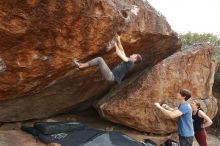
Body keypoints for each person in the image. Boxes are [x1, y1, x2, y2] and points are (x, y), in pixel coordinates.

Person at [72, 34, 142, 83]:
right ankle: (80, 66)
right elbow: (122, 51)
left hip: (111, 77)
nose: (132, 54)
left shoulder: (131, 63)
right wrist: (118, 40)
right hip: (111, 77)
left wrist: (115, 44)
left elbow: (119, 53)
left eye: (134, 55)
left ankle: (81, 66)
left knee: (99, 59)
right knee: (99, 60)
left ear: (135, 59)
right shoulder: (129, 62)